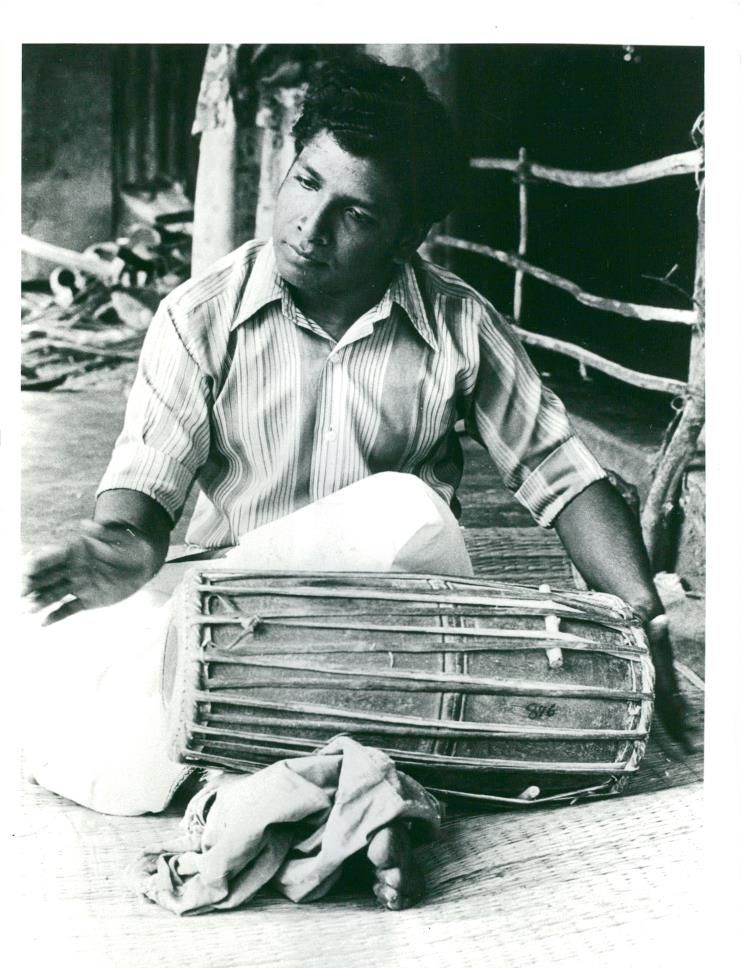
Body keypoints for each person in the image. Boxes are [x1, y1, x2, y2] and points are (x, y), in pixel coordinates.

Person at [21, 52, 691, 904]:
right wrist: (121, 547)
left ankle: (293, 788)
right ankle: (346, 795)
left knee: (396, 508)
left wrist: (637, 610)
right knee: (62, 695)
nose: (310, 225)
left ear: (407, 236)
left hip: (400, 624)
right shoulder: (198, 319)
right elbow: (142, 500)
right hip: (246, 632)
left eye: (355, 213)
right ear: (285, 168)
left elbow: (563, 476)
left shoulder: (458, 324)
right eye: (305, 183)